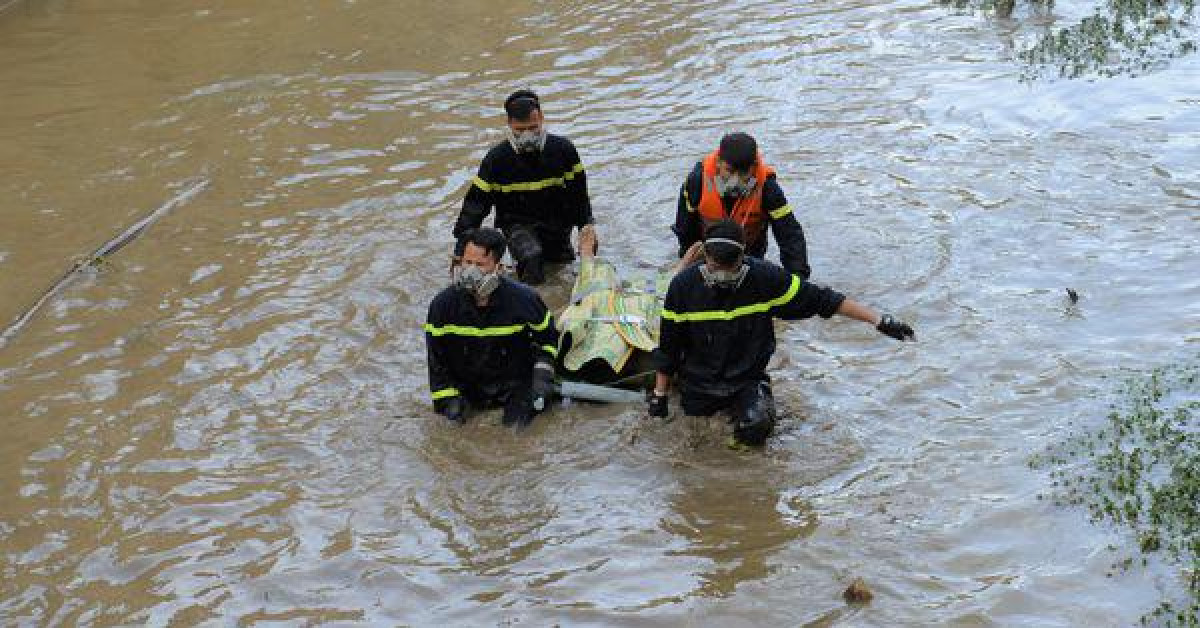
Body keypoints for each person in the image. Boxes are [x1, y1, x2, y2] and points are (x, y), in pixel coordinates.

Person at [648, 220, 915, 446]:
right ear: (706, 257)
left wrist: (880, 321)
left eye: (732, 269)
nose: (724, 277)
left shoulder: (765, 278)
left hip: (746, 380)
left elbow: (824, 300)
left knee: (757, 428)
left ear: (744, 257)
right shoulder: (682, 287)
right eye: (717, 269)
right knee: (692, 441)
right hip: (699, 383)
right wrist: (659, 397)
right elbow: (668, 346)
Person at [453, 89, 594, 285]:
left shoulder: (563, 151)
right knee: (531, 258)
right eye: (519, 130)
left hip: (557, 223)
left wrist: (586, 226)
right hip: (517, 223)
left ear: (542, 118)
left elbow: (578, 194)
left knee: (561, 269)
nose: (527, 136)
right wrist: (462, 246)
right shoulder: (496, 159)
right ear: (509, 123)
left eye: (533, 128)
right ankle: (531, 303)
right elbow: (476, 204)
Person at [425, 227, 558, 427]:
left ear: (498, 267)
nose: (471, 271)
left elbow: (548, 342)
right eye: (467, 262)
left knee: (515, 433)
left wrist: (542, 378)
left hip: (516, 386)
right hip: (470, 389)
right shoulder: (442, 306)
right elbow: (437, 365)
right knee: (453, 433)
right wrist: (447, 402)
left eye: (480, 264)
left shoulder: (525, 301)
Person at [673, 132, 811, 279]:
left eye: (743, 173)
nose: (735, 181)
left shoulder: (768, 188)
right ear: (719, 162)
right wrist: (689, 269)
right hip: (707, 255)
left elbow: (789, 234)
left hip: (749, 254)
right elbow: (685, 228)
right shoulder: (697, 181)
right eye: (730, 171)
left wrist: (798, 278)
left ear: (754, 167)